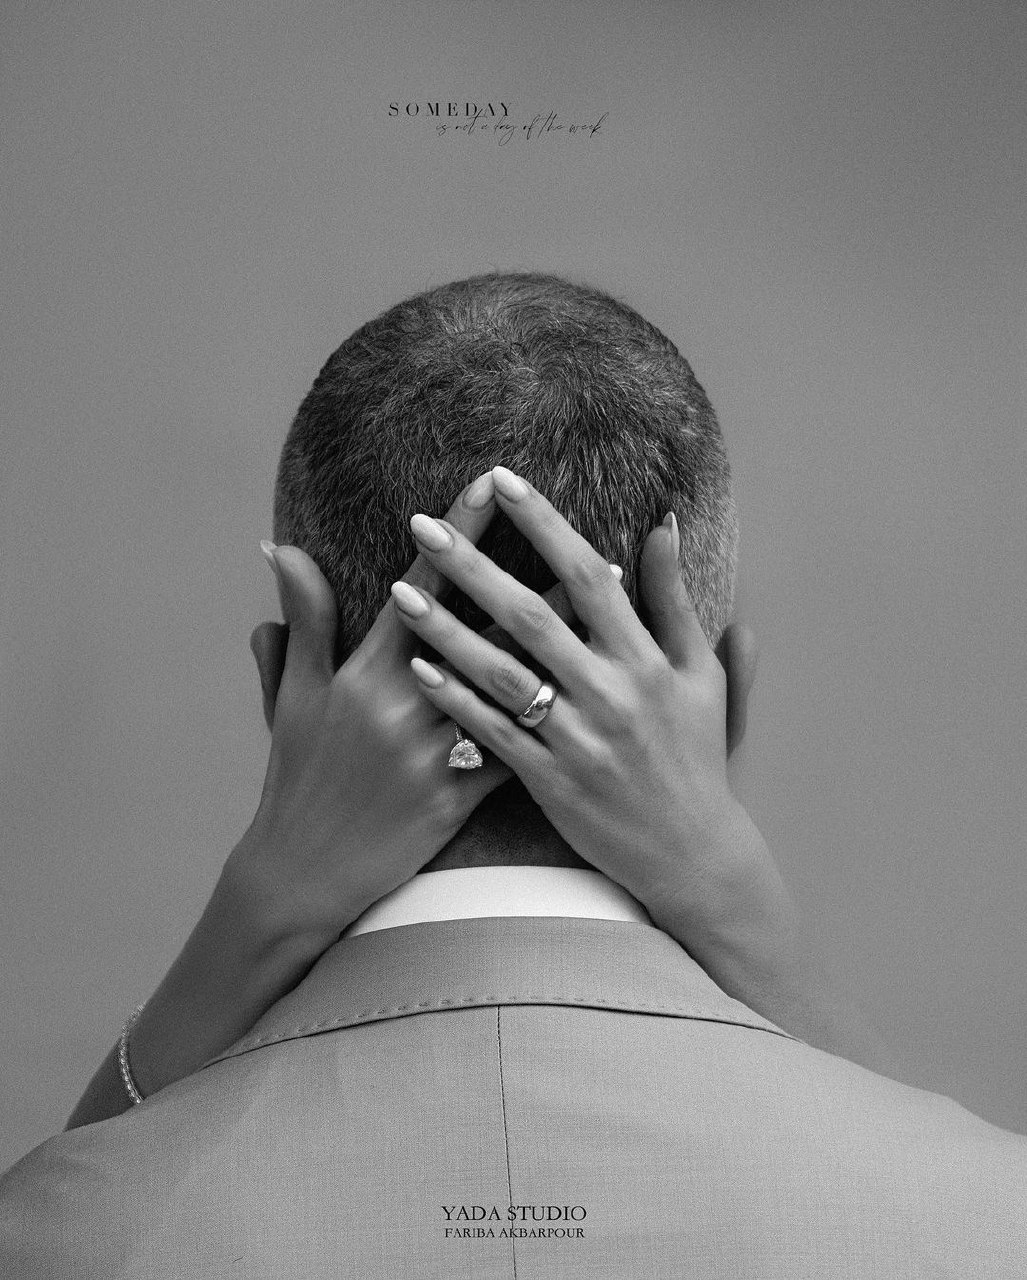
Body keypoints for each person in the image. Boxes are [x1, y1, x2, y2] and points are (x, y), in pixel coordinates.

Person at [1, 273, 1024, 1277]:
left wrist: (259, 904)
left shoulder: (61, 1228)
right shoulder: (987, 1215)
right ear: (730, 700)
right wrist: (736, 901)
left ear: (278, 690)